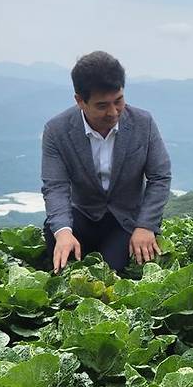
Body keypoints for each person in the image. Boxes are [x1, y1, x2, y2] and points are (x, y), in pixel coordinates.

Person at [41, 51, 171, 273]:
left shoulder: (143, 123)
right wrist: (63, 231)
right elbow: (55, 186)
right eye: (102, 106)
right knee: (61, 263)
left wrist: (146, 226)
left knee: (113, 274)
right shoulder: (57, 130)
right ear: (80, 101)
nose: (113, 112)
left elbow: (160, 177)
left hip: (125, 220)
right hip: (81, 214)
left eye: (118, 101)